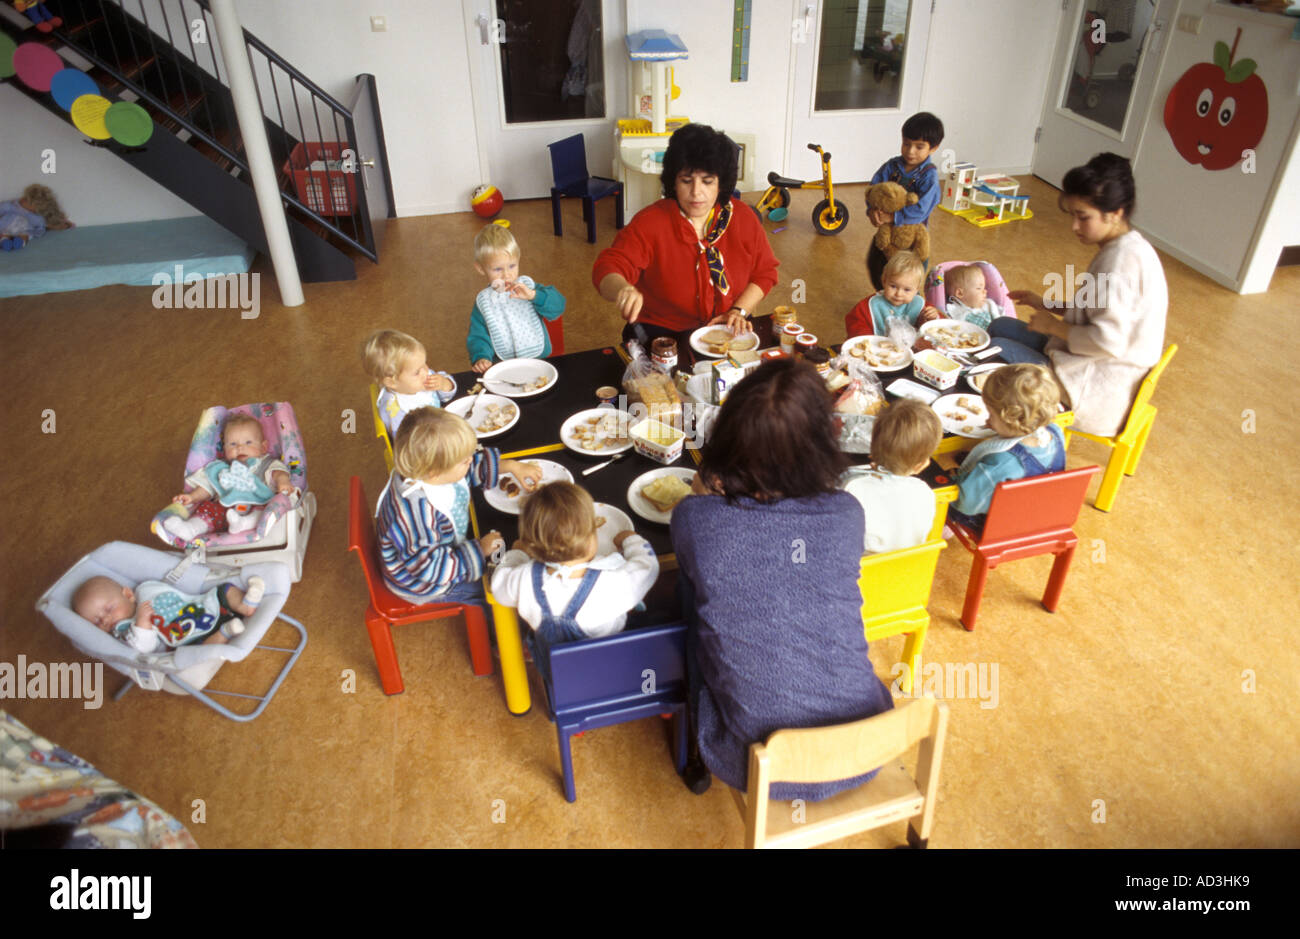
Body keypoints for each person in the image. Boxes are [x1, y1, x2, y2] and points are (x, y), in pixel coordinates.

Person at [670, 359, 894, 799]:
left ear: (726, 439)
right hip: (865, 746)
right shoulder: (847, 513)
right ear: (823, 442)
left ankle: (693, 750)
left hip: (757, 761)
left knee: (691, 597)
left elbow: (706, 524)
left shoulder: (697, 520)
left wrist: (707, 486)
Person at [992, 152, 1168, 437]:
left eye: (1083, 217)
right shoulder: (1128, 246)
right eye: (1073, 215)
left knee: (996, 348)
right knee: (999, 325)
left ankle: (1000, 428)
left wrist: (1051, 325)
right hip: (1084, 361)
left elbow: (1106, 340)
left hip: (1094, 388)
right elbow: (1097, 309)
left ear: (1116, 212)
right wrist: (1047, 303)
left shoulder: (1120, 264)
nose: (1074, 226)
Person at [593, 123, 779, 343]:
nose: (696, 192)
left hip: (726, 327)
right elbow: (608, 267)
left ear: (721, 183)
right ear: (673, 180)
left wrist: (739, 311)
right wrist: (622, 289)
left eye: (707, 182)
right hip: (663, 333)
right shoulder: (650, 223)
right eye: (686, 181)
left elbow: (765, 272)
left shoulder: (742, 217)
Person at [376, 406, 542, 608]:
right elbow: (431, 569)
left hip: (440, 553)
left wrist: (511, 466)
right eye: (464, 461)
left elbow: (465, 470)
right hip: (426, 582)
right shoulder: (416, 515)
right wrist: (480, 550)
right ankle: (494, 629)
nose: (470, 461)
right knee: (496, 590)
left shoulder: (425, 469)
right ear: (435, 473)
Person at [489, 481, 658, 653]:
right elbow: (648, 567)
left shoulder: (524, 578)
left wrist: (517, 553)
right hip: (607, 657)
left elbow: (498, 587)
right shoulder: (610, 582)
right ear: (592, 541)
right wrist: (631, 540)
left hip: (555, 668)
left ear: (532, 547)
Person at [950, 364, 1066, 528]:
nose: (987, 420)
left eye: (991, 414)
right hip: (1035, 513)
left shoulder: (1003, 462)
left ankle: (945, 527)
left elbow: (965, 503)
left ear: (1010, 419)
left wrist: (953, 481)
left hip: (997, 524)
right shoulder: (1056, 433)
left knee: (936, 488)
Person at [162, 415, 294, 542]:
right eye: (232, 444)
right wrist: (192, 497)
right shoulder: (221, 469)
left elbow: (279, 473)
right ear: (224, 449)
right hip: (225, 511)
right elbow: (207, 487)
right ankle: (190, 528)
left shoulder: (266, 463)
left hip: (256, 505)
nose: (240, 447)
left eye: (248, 442)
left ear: (263, 447)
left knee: (267, 510)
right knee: (208, 510)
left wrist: (283, 482)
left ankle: (243, 523)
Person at [842, 400, 943, 554]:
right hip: (907, 572)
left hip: (861, 572)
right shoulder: (925, 492)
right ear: (920, 465)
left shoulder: (852, 489)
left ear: (872, 450)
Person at [73, 573, 264, 653]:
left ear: (129, 595)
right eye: (97, 622)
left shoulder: (146, 592)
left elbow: (180, 597)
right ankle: (226, 632)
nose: (106, 619)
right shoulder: (123, 631)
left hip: (199, 610)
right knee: (198, 650)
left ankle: (245, 605)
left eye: (108, 609)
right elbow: (144, 648)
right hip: (187, 639)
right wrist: (142, 624)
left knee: (223, 591)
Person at [467, 223, 566, 373]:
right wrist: (481, 356)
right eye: (497, 269)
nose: (507, 275)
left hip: (540, 361)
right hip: (504, 367)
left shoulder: (528, 288)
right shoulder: (484, 302)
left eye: (512, 266)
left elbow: (559, 305)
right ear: (481, 268)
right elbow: (478, 336)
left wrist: (534, 296)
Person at [865, 112, 944, 291]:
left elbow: (921, 209)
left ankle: (908, 301)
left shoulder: (929, 176)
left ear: (933, 148)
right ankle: (884, 296)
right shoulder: (892, 166)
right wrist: (871, 210)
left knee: (908, 275)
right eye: (906, 144)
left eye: (919, 146)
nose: (910, 151)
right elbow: (874, 188)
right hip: (886, 233)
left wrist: (893, 217)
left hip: (911, 237)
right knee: (876, 265)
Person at [363, 329, 457, 439]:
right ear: (392, 382)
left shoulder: (421, 377)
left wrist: (444, 384)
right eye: (417, 372)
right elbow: (408, 445)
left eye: (424, 364)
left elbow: (448, 394)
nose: (426, 371)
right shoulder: (396, 414)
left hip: (441, 423)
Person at [844, 250, 942, 338]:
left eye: (907, 290)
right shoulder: (868, 306)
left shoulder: (920, 306)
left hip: (910, 351)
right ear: (884, 281)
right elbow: (854, 323)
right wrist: (867, 340)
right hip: (876, 352)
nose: (898, 294)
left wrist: (931, 318)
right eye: (893, 286)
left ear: (916, 289)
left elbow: (936, 327)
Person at [0, 184, 73, 251]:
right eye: (25, 198)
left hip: (23, 230)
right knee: (4, 234)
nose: (23, 200)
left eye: (28, 200)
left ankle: (20, 242)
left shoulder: (35, 217)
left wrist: (59, 225)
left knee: (25, 235)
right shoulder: (12, 205)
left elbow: (43, 224)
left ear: (35, 208)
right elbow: (2, 208)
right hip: (6, 226)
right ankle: (4, 241)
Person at [941, 264, 999, 331]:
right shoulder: (954, 311)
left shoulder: (989, 305)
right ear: (960, 293)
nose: (985, 291)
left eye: (984, 288)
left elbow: (1000, 323)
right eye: (979, 288)